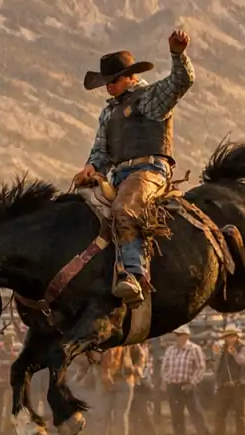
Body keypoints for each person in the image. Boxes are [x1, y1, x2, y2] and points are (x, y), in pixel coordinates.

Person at [72, 29, 194, 303]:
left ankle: (133, 273)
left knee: (125, 208)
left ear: (131, 77)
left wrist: (178, 54)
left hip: (149, 171)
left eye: (114, 80)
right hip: (118, 175)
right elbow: (101, 151)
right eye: (106, 81)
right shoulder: (108, 112)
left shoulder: (149, 98)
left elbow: (181, 82)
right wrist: (91, 167)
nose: (109, 86)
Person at [160, 326, 212, 435]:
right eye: (178, 335)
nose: (179, 337)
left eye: (181, 335)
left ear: (187, 336)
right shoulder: (170, 350)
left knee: (197, 415)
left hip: (188, 386)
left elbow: (201, 368)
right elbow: (165, 368)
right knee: (177, 418)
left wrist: (192, 383)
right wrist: (166, 380)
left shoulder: (194, 349)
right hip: (174, 386)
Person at [211, 324, 245, 435]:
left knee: (240, 417)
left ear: (236, 336)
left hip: (239, 386)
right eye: (227, 336)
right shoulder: (221, 349)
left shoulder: (244, 349)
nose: (229, 339)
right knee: (219, 416)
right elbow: (217, 366)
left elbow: (243, 362)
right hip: (224, 386)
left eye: (231, 336)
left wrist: (234, 353)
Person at [95, 346, 135, 435]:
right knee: (104, 415)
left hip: (123, 380)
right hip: (109, 381)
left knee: (119, 416)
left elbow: (140, 355)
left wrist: (137, 367)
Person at [126, 343, 160, 435]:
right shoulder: (140, 349)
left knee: (144, 413)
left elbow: (143, 369)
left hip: (142, 384)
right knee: (135, 414)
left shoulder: (142, 350)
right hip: (137, 383)